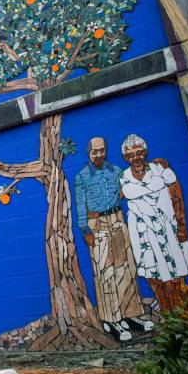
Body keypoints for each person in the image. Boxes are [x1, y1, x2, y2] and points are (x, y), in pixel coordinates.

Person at [74, 137, 150, 341]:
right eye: (95, 151)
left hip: (117, 219)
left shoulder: (116, 171)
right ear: (89, 153)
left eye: (102, 151)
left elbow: (134, 181)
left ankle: (132, 314)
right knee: (105, 272)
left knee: (126, 267)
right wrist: (85, 231)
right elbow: (80, 206)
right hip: (96, 225)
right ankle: (111, 320)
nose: (99, 155)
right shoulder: (81, 177)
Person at [120, 134, 188, 311]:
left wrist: (182, 226)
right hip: (142, 232)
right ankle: (166, 310)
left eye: (139, 152)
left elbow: (177, 198)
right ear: (125, 157)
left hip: (167, 227)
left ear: (145, 152)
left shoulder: (161, 170)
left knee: (176, 268)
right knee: (152, 273)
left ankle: (181, 310)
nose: (135, 157)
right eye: (130, 155)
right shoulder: (123, 177)